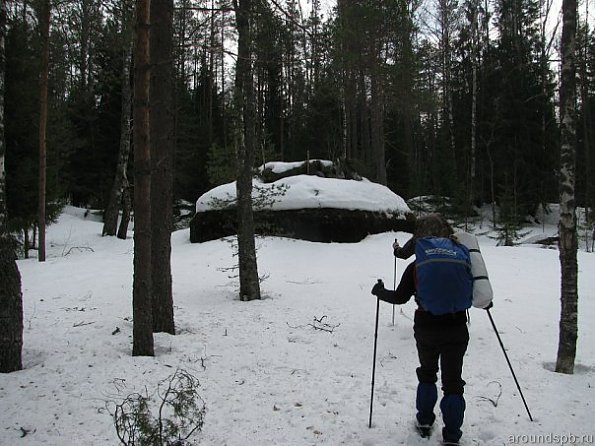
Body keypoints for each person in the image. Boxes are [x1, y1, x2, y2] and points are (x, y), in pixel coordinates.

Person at [371, 213, 492, 446]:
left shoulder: (417, 265)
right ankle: (452, 436)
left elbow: (399, 297)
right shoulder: (462, 256)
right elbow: (478, 287)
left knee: (427, 373)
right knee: (453, 382)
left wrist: (379, 292)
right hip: (456, 327)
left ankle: (425, 421)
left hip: (426, 327)